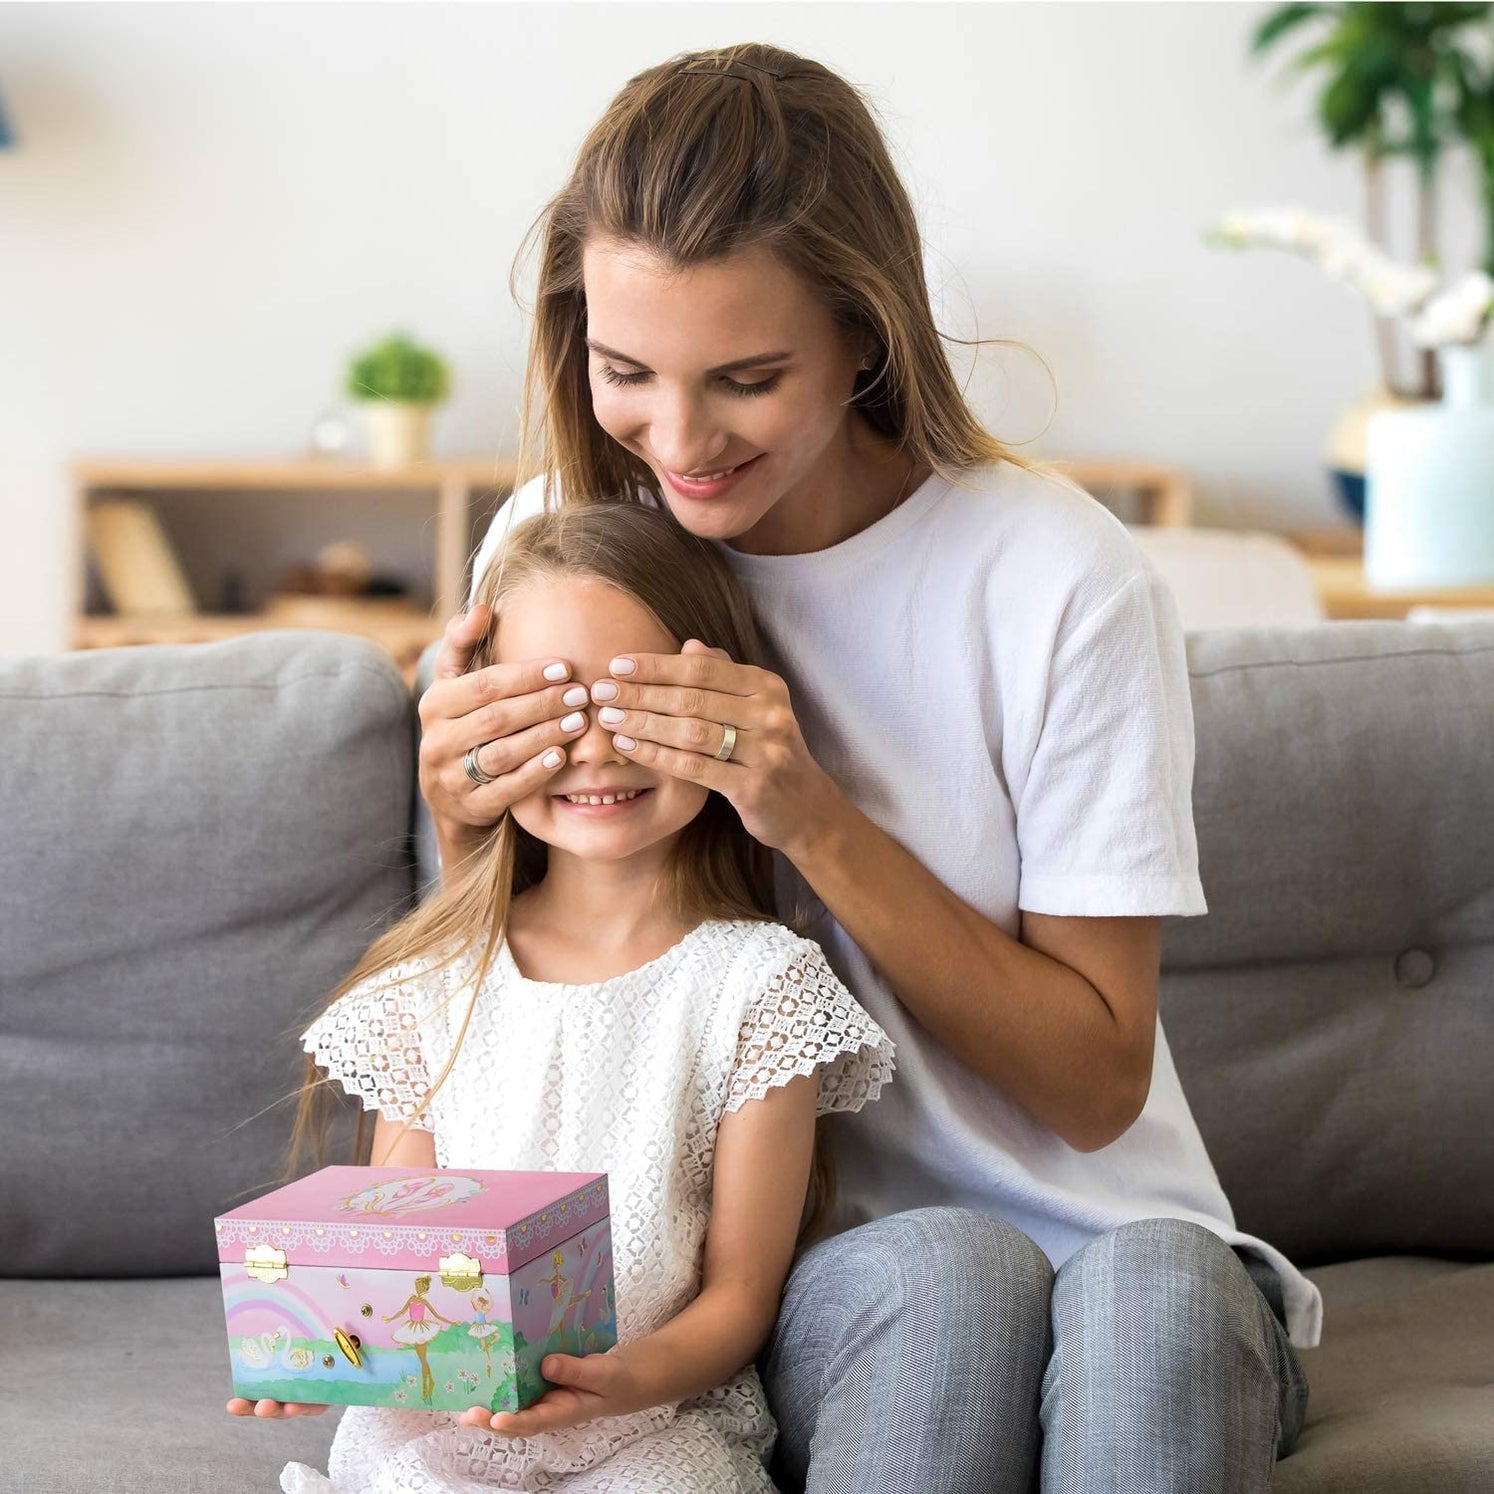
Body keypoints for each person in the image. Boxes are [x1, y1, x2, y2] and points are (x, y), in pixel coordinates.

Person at [416, 42, 1320, 1494]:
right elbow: (500, 983)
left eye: (748, 378)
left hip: (1119, 1241)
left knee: (1147, 1290)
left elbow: (1094, 1090)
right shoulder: (563, 535)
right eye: (625, 372)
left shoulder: (1053, 578)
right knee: (944, 1284)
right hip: (803, 1285)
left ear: (863, 333)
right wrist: (460, 809)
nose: (679, 443)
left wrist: (813, 818)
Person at [230, 502, 895, 1493]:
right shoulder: (434, 981)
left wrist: (616, 1380)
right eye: (551, 711)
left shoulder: (759, 985)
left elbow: (739, 1297)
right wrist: (333, 1341)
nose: (595, 752)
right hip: (440, 1432)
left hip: (648, 1424)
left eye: (633, 704)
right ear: (486, 726)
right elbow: (398, 1244)